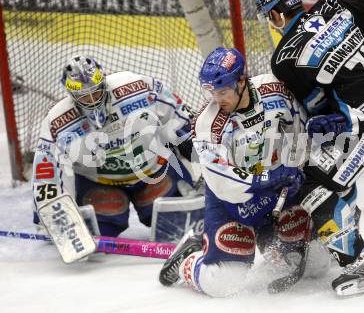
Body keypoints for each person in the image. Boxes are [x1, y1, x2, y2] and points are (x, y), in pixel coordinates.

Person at [256, 0, 364, 296]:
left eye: (269, 17)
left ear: (277, 17)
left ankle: (359, 263)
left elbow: (316, 109)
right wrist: (352, 5)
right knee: (330, 165)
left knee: (313, 182)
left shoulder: (285, 57)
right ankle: (342, 218)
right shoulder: (332, 6)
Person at [158, 47, 330, 297]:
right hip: (233, 204)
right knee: (222, 284)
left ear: (241, 80)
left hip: (278, 191)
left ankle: (270, 244)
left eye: (223, 91)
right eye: (213, 92)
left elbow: (298, 130)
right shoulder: (205, 123)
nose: (218, 99)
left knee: (316, 266)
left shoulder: (276, 90)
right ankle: (190, 257)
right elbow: (220, 180)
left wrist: (294, 167)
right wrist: (266, 178)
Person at [31, 55, 199, 248]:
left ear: (104, 82)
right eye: (84, 96)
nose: (92, 101)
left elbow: (182, 121)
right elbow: (47, 172)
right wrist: (53, 217)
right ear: (71, 94)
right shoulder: (58, 122)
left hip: (154, 171)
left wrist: (206, 169)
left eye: (96, 92)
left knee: (180, 227)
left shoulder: (139, 88)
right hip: (99, 185)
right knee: (95, 234)